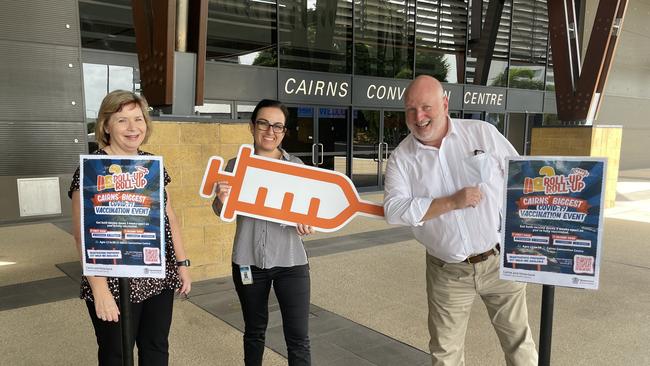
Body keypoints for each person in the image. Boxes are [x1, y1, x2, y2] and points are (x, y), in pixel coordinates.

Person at [383, 75, 538, 366]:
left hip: (499, 262)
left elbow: (522, 179)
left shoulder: (482, 134)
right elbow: (393, 210)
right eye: (411, 109)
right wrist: (451, 202)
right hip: (447, 272)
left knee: (519, 343)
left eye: (426, 107)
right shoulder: (402, 158)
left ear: (444, 103)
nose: (419, 117)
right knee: (446, 353)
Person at [68, 90, 191, 365]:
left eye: (138, 119)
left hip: (157, 274)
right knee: (117, 354)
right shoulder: (91, 169)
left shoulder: (151, 165)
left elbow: (169, 216)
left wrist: (182, 264)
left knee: (156, 348)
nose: (133, 127)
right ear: (106, 125)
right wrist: (99, 290)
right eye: (122, 120)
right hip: (109, 279)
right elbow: (82, 235)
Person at [212, 99, 314, 366]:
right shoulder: (236, 165)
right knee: (255, 332)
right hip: (248, 262)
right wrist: (221, 200)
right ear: (252, 126)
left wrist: (307, 222)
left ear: (284, 131)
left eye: (278, 126)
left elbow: (309, 211)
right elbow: (222, 213)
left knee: (298, 337)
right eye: (264, 123)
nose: (270, 131)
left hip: (291, 263)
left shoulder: (298, 166)